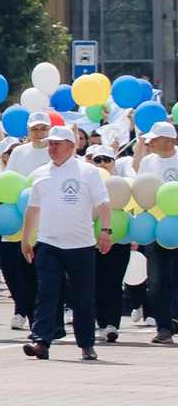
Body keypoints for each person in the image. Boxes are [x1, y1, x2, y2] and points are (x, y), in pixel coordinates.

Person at [23, 123, 113, 361]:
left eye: (57, 144)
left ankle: (86, 344)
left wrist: (105, 230)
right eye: (49, 144)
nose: (51, 148)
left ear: (71, 146)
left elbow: (103, 203)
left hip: (81, 244)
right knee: (46, 292)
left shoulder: (88, 171)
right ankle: (41, 341)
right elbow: (33, 208)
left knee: (83, 296)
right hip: (49, 243)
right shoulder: (41, 173)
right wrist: (25, 239)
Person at [135, 119, 178, 346]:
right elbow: (142, 191)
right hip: (154, 228)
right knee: (156, 281)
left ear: (167, 139)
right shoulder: (148, 161)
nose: (150, 141)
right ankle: (164, 328)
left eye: (154, 138)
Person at [88, 141, 135, 343]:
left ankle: (112, 324)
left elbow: (131, 209)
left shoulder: (122, 184)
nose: (103, 163)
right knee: (97, 282)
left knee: (114, 283)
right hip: (92, 241)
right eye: (98, 160)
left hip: (120, 239)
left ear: (113, 161)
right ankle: (101, 323)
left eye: (107, 159)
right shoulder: (87, 183)